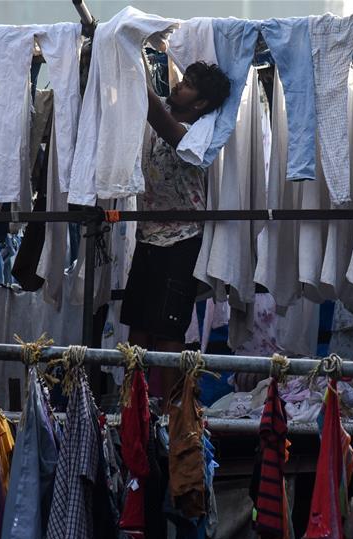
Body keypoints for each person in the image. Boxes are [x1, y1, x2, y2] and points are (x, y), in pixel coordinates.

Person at [120, 60, 231, 397]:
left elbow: (170, 131)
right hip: (148, 236)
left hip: (183, 241)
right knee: (137, 328)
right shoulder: (159, 117)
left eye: (187, 85)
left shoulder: (201, 131)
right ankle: (132, 407)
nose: (179, 86)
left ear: (199, 104)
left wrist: (133, 65)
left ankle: (168, 413)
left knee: (169, 332)